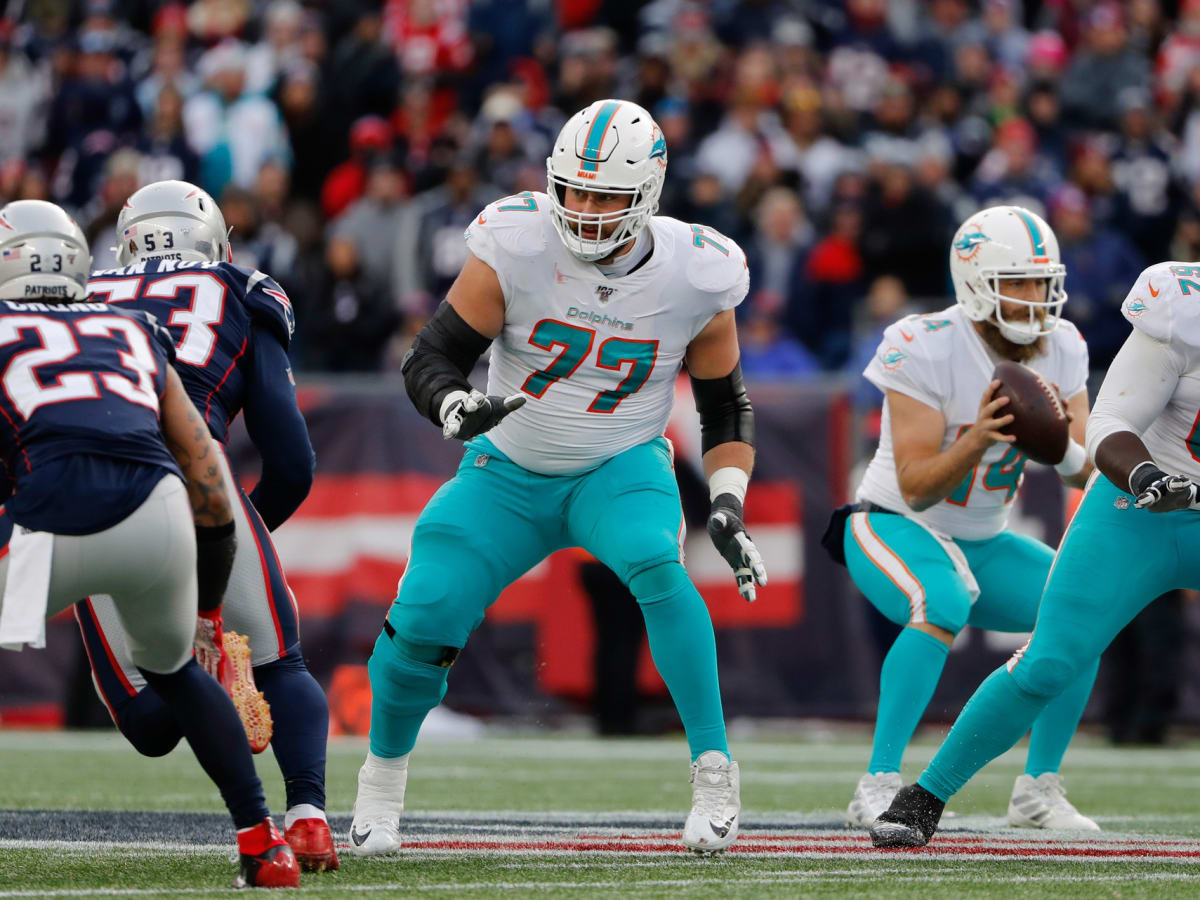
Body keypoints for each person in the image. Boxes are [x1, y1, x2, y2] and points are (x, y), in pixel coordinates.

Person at [348, 99, 767, 856]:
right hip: (507, 466)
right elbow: (430, 358)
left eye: (606, 195)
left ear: (648, 195)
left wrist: (730, 501)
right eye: (572, 189)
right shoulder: (515, 240)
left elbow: (725, 408)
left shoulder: (698, 272)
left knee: (653, 559)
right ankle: (381, 776)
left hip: (620, 463)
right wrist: (451, 406)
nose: (583, 209)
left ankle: (713, 765)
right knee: (428, 604)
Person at [0, 199, 298, 888]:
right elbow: (206, 477)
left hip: (47, 529)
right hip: (160, 521)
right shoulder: (132, 327)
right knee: (176, 674)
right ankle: (264, 845)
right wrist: (208, 609)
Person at [871, 256, 1200, 847]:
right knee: (1051, 659)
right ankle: (925, 795)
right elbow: (1110, 422)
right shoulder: (1182, 302)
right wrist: (1147, 477)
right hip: (1140, 506)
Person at [78, 181, 336, 872]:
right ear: (217, 242)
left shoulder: (75, 294)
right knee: (280, 661)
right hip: (195, 468)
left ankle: (202, 674)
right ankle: (308, 816)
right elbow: (290, 461)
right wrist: (231, 542)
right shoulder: (239, 285)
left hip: (79, 477)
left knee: (150, 714)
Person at [826, 206, 1099, 830]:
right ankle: (879, 781)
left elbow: (1082, 469)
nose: (1036, 298)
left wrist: (1060, 446)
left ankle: (1038, 786)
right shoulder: (923, 343)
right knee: (940, 601)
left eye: (1041, 281)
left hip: (985, 538)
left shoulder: (1062, 346)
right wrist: (978, 438)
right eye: (1019, 282)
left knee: (1085, 610)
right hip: (892, 523)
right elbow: (918, 488)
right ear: (976, 282)